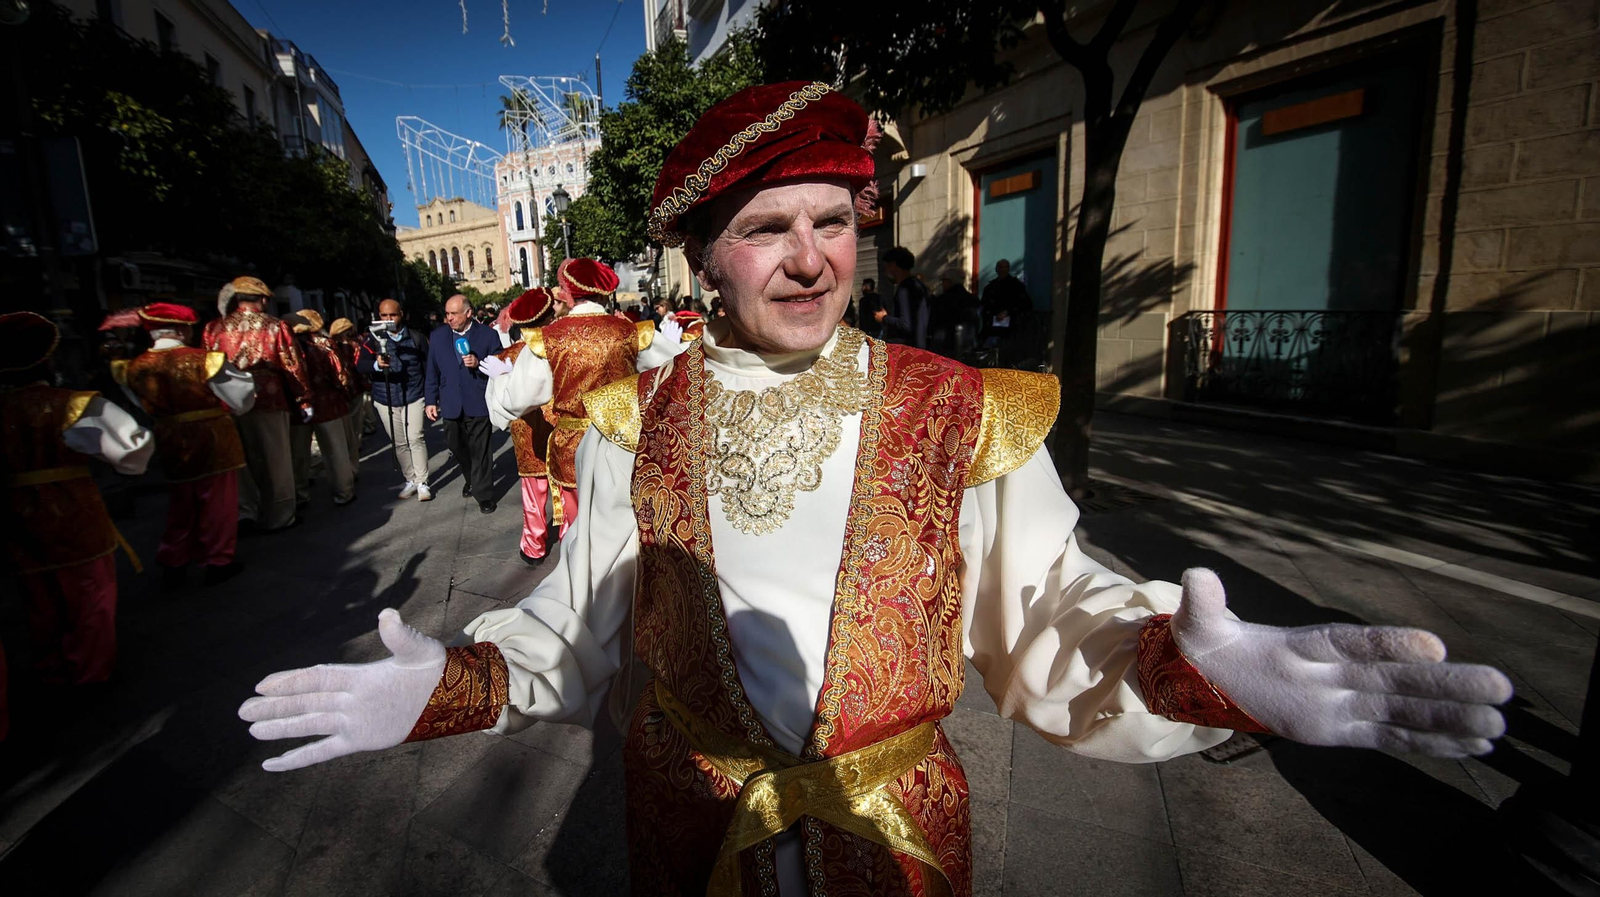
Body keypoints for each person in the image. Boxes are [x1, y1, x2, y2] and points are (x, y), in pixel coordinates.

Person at [240, 82, 1511, 897]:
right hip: (690, 827)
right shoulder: (639, 414)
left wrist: (1192, 662)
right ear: (702, 259)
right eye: (767, 228)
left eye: (835, 222)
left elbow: (1052, 608)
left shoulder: (960, 406)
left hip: (894, 830)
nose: (809, 260)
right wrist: (448, 687)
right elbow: (577, 625)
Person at [2, 311, 153, 742]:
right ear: (47, 360)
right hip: (72, 509)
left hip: (16, 516)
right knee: (89, 591)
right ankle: (90, 669)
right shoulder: (73, 403)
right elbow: (131, 449)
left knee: (39, 595)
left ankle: (51, 666)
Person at [478, 257, 685, 533]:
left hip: (572, 450)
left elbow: (517, 399)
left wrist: (502, 379)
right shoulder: (630, 331)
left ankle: (580, 573)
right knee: (620, 528)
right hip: (621, 445)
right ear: (603, 293)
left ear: (569, 294)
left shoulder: (549, 338)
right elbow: (677, 371)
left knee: (578, 530)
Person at [117, 302, 255, 588]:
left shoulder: (133, 367)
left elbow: (137, 406)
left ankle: (174, 559)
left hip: (169, 437)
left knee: (181, 502)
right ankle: (218, 559)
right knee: (218, 502)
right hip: (211, 436)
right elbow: (240, 395)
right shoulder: (204, 360)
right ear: (182, 330)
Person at [203, 276, 312, 532]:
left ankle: (246, 511)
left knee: (241, 461)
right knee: (277, 460)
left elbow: (207, 367)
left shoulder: (213, 328)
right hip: (269, 398)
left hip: (228, 401)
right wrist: (304, 398)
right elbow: (292, 365)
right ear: (262, 300)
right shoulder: (275, 327)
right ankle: (282, 514)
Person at [486, 288, 559, 565]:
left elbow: (498, 409)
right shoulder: (563, 346)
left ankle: (534, 545)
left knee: (533, 492)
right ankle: (572, 536)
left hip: (527, 431)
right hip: (564, 428)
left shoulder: (508, 356)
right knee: (569, 488)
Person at [426, 294, 503, 513]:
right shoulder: (438, 336)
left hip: (477, 400)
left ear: (468, 313)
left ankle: (484, 494)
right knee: (457, 446)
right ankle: (470, 478)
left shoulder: (487, 335)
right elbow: (432, 370)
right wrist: (431, 400)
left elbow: (500, 365)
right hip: (450, 402)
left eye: (454, 314)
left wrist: (479, 363)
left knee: (481, 450)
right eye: (447, 314)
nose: (449, 318)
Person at [358, 299, 432, 501]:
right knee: (399, 442)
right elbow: (359, 365)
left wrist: (432, 397)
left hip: (414, 395)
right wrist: (376, 364)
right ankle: (410, 479)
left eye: (393, 315)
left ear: (402, 315)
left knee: (415, 438)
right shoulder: (372, 339)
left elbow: (428, 368)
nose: (388, 319)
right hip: (386, 399)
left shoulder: (416, 338)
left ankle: (422, 482)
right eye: (384, 315)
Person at [285, 310, 356, 509]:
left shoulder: (287, 346)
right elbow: (341, 376)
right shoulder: (324, 345)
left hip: (297, 407)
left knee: (298, 454)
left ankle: (299, 494)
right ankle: (343, 491)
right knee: (335, 451)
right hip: (328, 403)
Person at [327, 317, 368, 481]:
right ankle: (354, 449)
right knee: (355, 422)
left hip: (341, 390)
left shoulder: (331, 346)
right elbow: (359, 367)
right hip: (352, 386)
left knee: (347, 424)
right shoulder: (353, 345)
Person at [877, 246, 931, 348]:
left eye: (886, 267)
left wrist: (884, 318)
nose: (885, 272)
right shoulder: (919, 286)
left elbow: (906, 324)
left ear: (893, 265)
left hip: (905, 349)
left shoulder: (905, 289)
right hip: (919, 347)